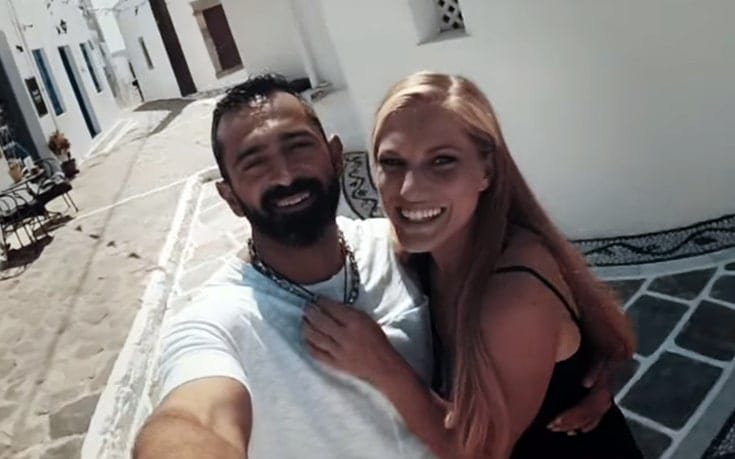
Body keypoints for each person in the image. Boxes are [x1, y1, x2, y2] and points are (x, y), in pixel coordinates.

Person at [302, 72, 643, 458]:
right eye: (392, 163)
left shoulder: (513, 293)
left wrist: (382, 365)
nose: (410, 189)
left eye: (442, 161)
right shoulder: (424, 252)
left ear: (486, 172)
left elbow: (480, 453)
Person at [132, 74, 436, 458]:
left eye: (298, 146)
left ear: (335, 157)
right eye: (254, 162)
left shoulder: (400, 247)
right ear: (230, 198)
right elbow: (192, 420)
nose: (285, 175)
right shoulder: (221, 320)